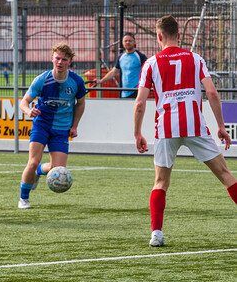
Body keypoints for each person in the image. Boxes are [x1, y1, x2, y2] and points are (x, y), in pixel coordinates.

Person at [134, 15, 236, 247]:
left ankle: (156, 234)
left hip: (166, 127)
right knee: (224, 174)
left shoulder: (150, 63)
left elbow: (139, 103)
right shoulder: (195, 58)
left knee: (160, 182)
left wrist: (137, 132)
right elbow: (211, 93)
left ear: (159, 36)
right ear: (179, 35)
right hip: (194, 126)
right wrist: (220, 125)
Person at [17, 43, 87, 209]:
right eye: (57, 58)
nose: (60, 62)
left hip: (62, 129)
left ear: (70, 61)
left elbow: (81, 104)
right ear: (52, 58)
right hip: (41, 125)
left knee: (58, 169)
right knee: (32, 161)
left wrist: (74, 126)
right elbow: (24, 102)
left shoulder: (76, 81)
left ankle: (39, 171)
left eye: (64, 59)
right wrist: (28, 111)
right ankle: (23, 198)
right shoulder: (42, 79)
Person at [96, 32, 148, 98]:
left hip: (137, 91)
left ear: (134, 42)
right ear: (123, 43)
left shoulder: (140, 56)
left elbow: (148, 70)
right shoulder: (121, 57)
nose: (127, 42)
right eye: (125, 41)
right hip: (123, 92)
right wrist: (101, 81)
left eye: (130, 41)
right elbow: (113, 72)